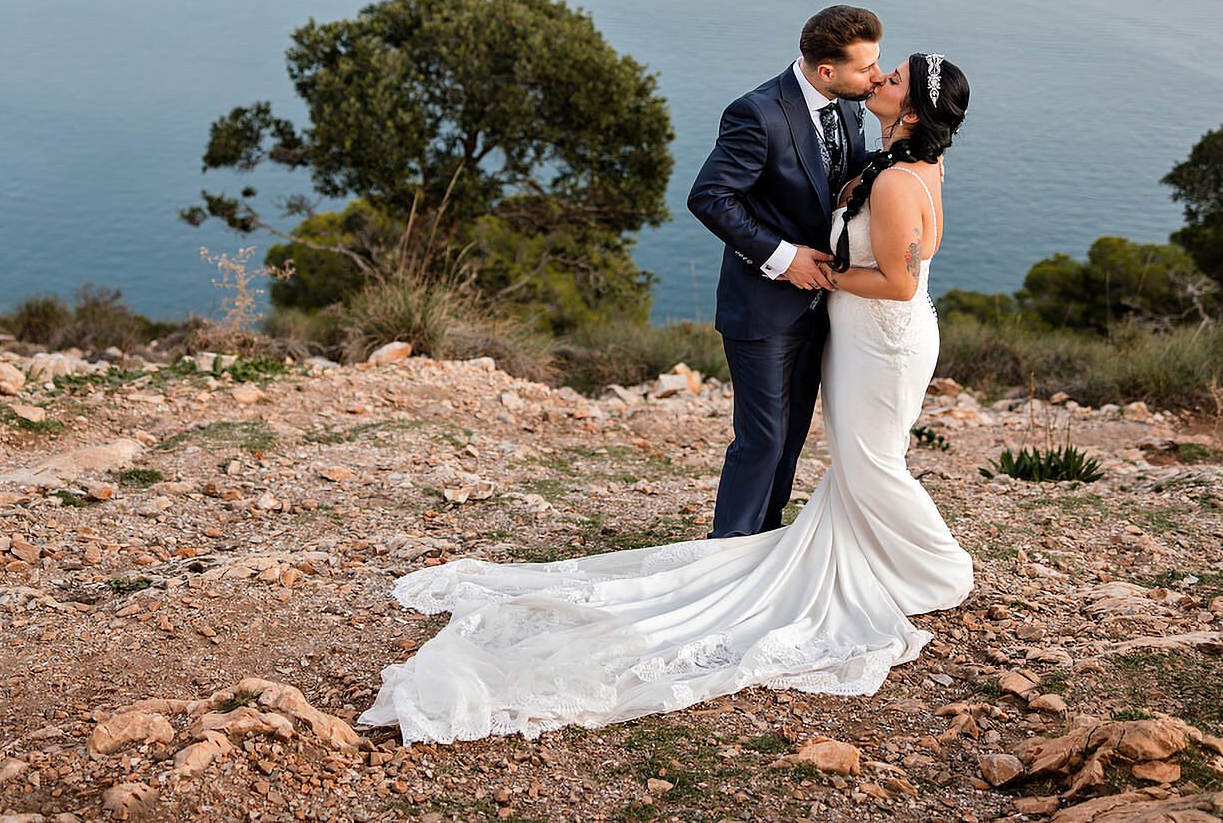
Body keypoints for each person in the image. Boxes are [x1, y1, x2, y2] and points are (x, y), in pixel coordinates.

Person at [357, 52, 976, 745]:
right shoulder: (891, 159)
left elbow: (896, 281)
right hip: (863, 337)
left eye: (891, 77)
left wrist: (825, 274)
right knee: (856, 457)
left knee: (871, 462)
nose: (879, 77)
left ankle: (938, 569)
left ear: (913, 111)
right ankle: (864, 557)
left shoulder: (896, 180)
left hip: (882, 338)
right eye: (876, 67)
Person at [688, 5, 881, 539]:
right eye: (866, 69)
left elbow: (838, 179)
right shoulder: (758, 113)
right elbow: (710, 198)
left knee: (793, 434)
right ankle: (725, 554)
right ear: (826, 70)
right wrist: (783, 257)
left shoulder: (846, 104)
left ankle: (764, 545)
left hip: (824, 304)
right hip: (764, 303)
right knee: (762, 438)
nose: (878, 77)